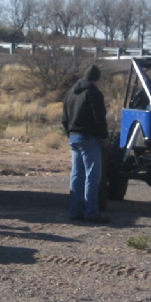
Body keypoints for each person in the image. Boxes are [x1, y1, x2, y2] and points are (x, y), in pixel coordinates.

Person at [62, 64, 110, 224]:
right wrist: (104, 136)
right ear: (96, 79)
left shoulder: (71, 93)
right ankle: (91, 211)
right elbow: (99, 117)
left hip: (74, 137)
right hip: (89, 137)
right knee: (92, 175)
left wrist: (70, 133)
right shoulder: (93, 92)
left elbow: (64, 118)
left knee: (77, 175)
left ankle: (75, 211)